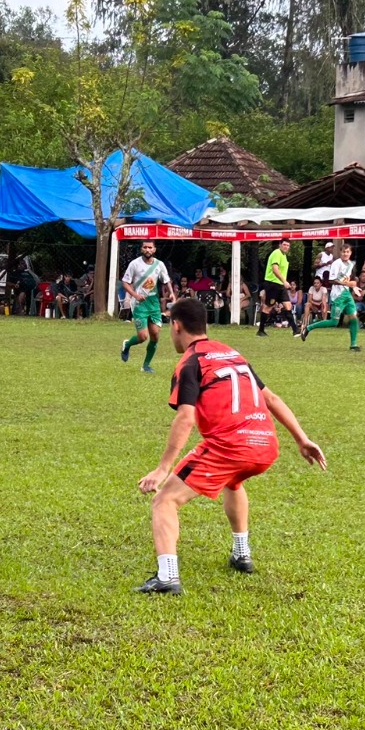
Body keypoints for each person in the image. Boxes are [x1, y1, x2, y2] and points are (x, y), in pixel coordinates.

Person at [134, 297, 326, 594]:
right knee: (233, 481)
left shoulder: (190, 362)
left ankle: (167, 576)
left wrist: (162, 469)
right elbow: (271, 399)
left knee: (165, 500)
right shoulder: (232, 354)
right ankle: (241, 554)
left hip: (231, 446)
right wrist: (301, 438)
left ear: (176, 326)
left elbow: (186, 418)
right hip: (265, 445)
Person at [119, 240, 174, 370]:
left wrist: (172, 294)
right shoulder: (134, 264)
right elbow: (125, 282)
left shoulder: (159, 265)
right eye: (145, 247)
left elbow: (166, 281)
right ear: (141, 249)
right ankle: (127, 345)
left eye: (150, 247)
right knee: (143, 337)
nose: (147, 250)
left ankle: (146, 365)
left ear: (154, 249)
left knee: (155, 335)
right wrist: (135, 295)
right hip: (139, 304)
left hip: (153, 303)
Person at [301, 254, 361, 351]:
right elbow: (331, 280)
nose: (346, 254)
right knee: (334, 322)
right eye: (344, 251)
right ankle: (308, 328)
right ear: (341, 252)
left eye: (348, 251)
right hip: (338, 296)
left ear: (350, 253)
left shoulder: (350, 264)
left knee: (353, 318)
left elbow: (352, 280)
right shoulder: (336, 263)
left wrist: (353, 285)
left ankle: (353, 344)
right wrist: (346, 283)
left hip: (347, 295)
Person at [257, 238, 298, 337]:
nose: (286, 247)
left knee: (288, 306)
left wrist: (283, 282)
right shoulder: (276, 253)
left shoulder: (284, 256)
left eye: (288, 245)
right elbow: (275, 269)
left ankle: (295, 330)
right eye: (284, 245)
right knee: (268, 307)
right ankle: (261, 330)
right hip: (273, 284)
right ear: (280, 245)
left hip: (280, 285)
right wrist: (284, 281)